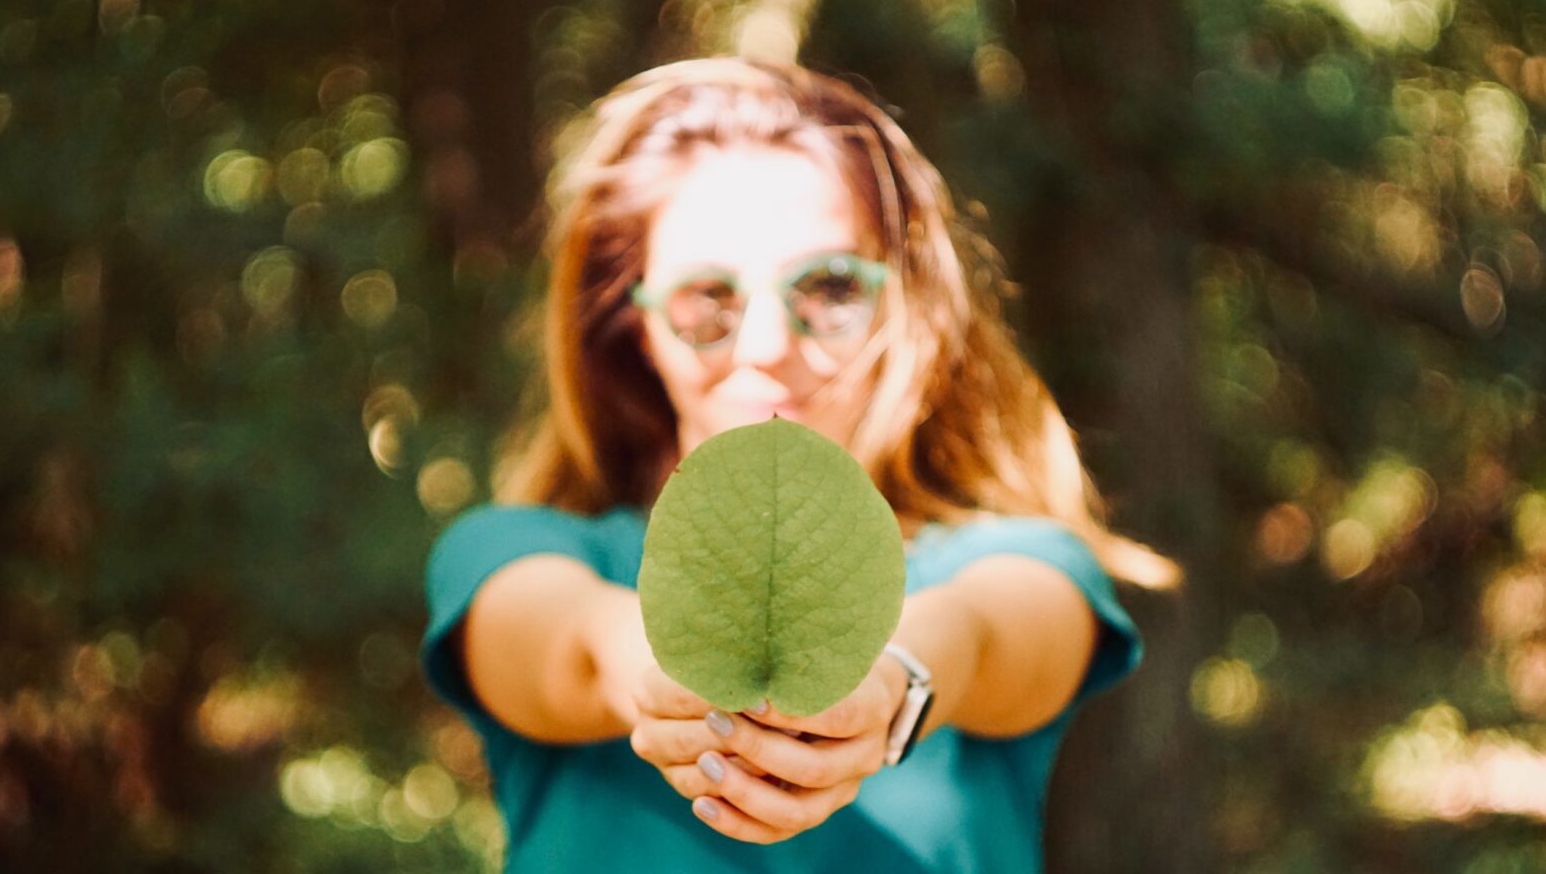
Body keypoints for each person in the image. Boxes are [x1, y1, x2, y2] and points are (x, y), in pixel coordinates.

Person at [421, 57, 1178, 873]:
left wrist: (892, 684)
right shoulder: (507, 554)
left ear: (901, 302)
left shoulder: (1016, 561)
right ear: (635, 325)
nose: (769, 345)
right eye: (706, 298)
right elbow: (568, 644)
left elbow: (988, 636)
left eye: (828, 288)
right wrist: (661, 677)